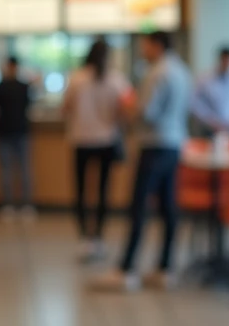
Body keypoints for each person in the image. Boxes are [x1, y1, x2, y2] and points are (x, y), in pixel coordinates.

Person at [90, 31, 191, 290]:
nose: (143, 51)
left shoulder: (157, 73)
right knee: (168, 206)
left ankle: (126, 268)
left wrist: (128, 106)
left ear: (156, 45)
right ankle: (165, 267)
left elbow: (147, 112)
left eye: (146, 46)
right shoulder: (180, 69)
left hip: (154, 144)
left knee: (138, 206)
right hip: (174, 143)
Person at [63, 39, 132, 261]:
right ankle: (99, 237)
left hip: (81, 139)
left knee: (81, 190)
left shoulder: (77, 78)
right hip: (106, 140)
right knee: (103, 191)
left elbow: (65, 108)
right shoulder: (116, 80)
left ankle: (85, 238)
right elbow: (127, 107)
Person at [0, 56, 34, 221]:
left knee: (8, 170)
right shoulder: (24, 87)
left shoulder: (0, 87)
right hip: (20, 131)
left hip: (5, 132)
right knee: (21, 169)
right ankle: (26, 205)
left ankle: (9, 205)